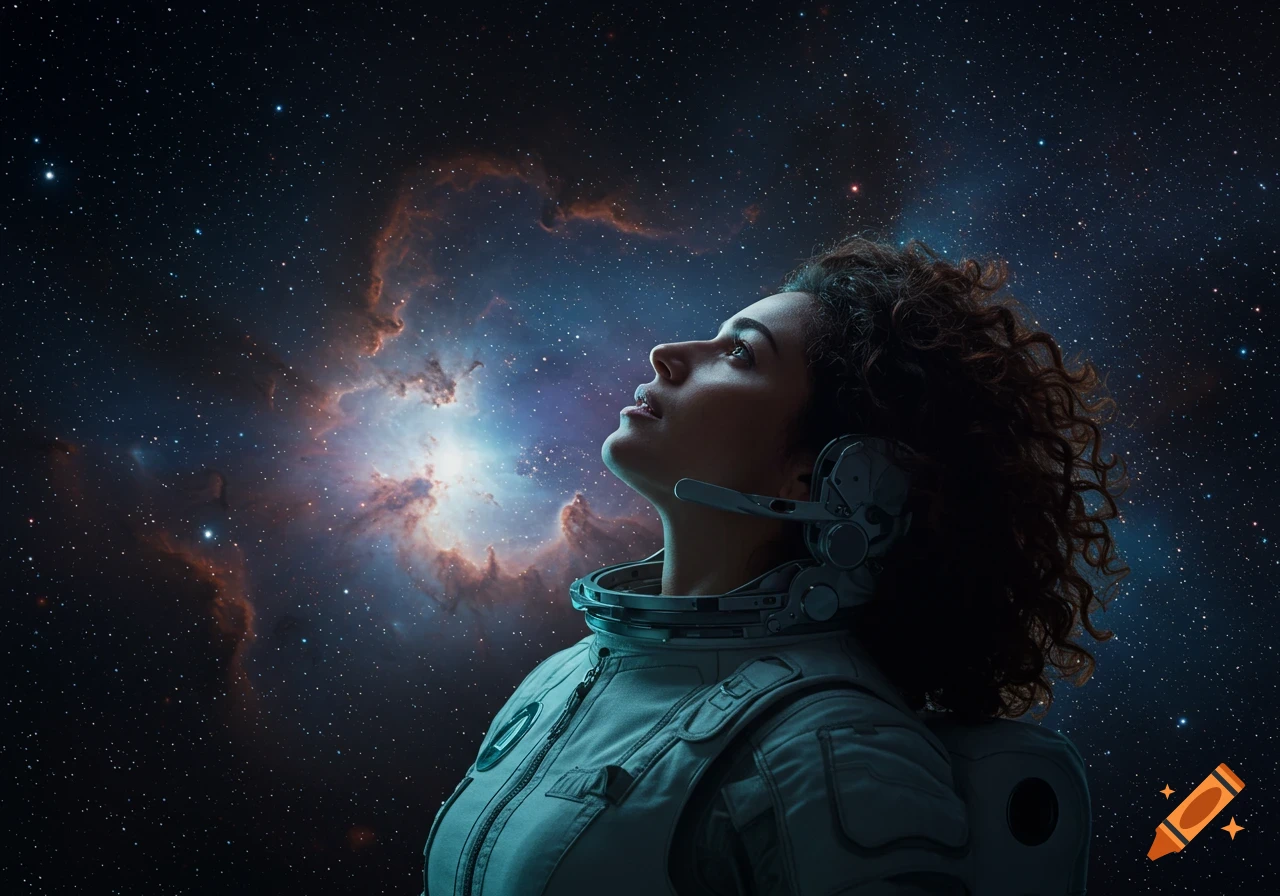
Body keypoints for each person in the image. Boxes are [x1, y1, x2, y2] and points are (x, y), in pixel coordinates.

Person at [420, 234, 1130, 895]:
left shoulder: (841, 753)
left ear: (830, 475)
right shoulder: (566, 674)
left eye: (741, 354)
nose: (668, 352)